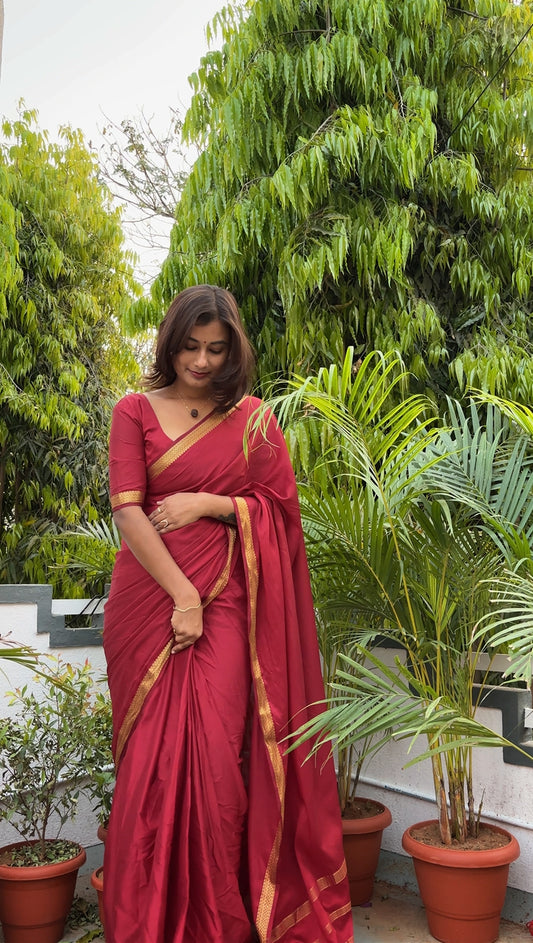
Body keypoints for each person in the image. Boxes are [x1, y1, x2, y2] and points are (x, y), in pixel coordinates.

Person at [102, 285, 354, 943]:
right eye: (190, 346)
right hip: (148, 606)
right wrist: (182, 595)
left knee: (216, 764)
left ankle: (216, 922)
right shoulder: (134, 410)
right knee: (147, 775)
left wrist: (210, 505)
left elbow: (280, 517)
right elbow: (127, 508)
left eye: (216, 348)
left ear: (233, 347)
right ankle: (145, 923)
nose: (202, 361)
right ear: (169, 342)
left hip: (227, 610)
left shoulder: (252, 420)